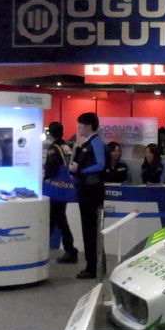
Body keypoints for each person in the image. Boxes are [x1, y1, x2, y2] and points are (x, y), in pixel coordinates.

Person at [68, 112, 105, 279]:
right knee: (89, 230)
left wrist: (80, 170)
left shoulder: (95, 143)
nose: (78, 129)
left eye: (80, 125)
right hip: (86, 191)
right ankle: (95, 265)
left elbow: (100, 164)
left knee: (90, 230)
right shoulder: (88, 144)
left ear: (89, 126)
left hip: (91, 193)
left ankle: (93, 267)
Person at [44, 121, 77, 264]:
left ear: (50, 133)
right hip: (64, 187)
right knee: (55, 218)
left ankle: (70, 250)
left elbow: (51, 168)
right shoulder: (66, 146)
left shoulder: (53, 148)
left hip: (55, 189)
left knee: (59, 219)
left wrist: (44, 176)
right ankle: (44, 247)